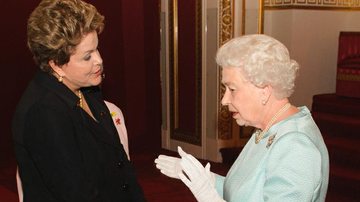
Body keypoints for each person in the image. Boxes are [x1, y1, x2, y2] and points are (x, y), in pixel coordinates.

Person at [155, 34, 329, 202]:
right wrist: (205, 178)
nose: (224, 100)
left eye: (232, 89)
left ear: (264, 91)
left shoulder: (296, 146)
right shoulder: (266, 129)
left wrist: (209, 198)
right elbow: (246, 193)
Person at [12, 0, 145, 201]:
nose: (99, 60)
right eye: (87, 56)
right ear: (56, 64)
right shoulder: (43, 113)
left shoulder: (86, 88)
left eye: (97, 49)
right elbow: (77, 194)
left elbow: (120, 165)